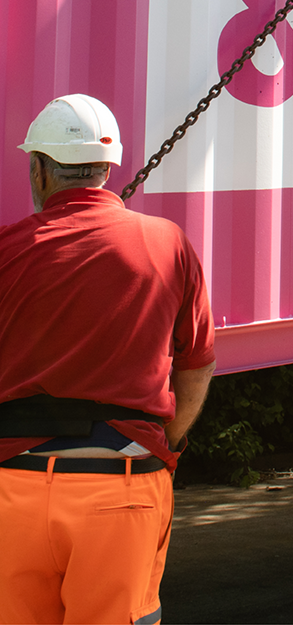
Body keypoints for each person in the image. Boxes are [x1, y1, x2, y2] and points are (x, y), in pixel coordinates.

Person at [0, 95, 216, 624]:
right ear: (107, 167)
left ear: (38, 169)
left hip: (12, 493)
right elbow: (197, 362)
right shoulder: (168, 244)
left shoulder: (6, 250)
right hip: (120, 490)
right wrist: (171, 438)